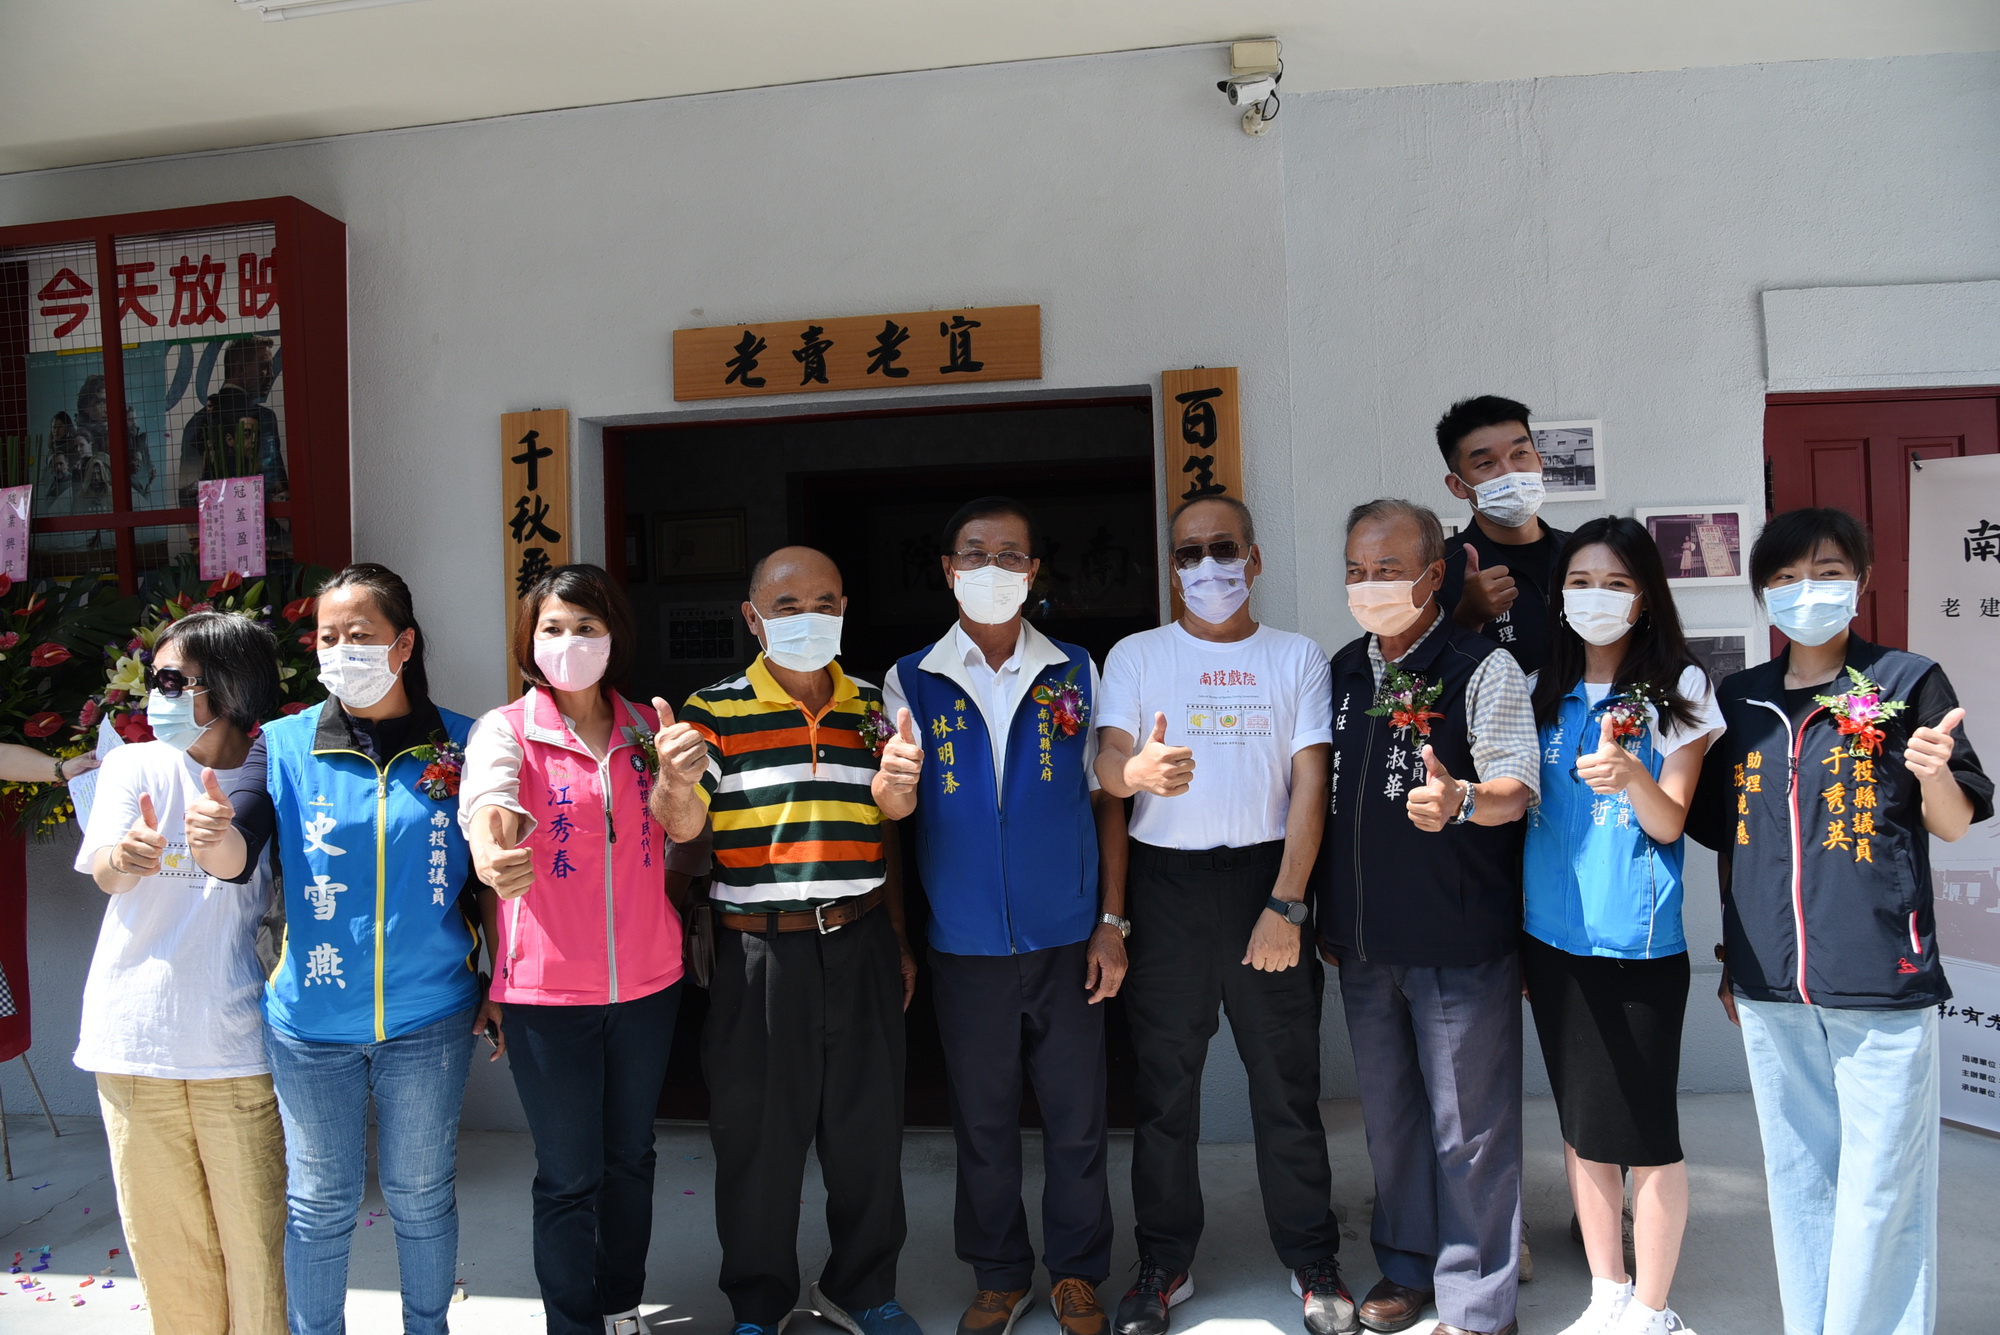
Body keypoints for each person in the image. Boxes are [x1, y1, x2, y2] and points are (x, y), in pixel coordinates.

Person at [1688, 508, 1991, 1335]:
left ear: (1860, 581)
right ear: (1762, 594)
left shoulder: (1904, 680)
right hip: (1769, 983)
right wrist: (1731, 958)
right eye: (1784, 577)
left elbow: (1955, 821)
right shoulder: (1741, 698)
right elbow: (1733, 838)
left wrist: (1933, 772)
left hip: (1881, 972)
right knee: (1799, 1176)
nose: (1804, 590)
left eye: (1824, 571)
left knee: (1884, 1180)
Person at [189, 563, 483, 1335]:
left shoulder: (465, 741)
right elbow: (240, 849)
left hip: (430, 1016)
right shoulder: (280, 746)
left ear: (405, 643)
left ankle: (429, 1326)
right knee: (320, 1202)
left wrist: (504, 986)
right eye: (328, 636)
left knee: (421, 1194)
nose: (341, 648)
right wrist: (215, 839)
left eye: (361, 634)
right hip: (311, 1022)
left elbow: (493, 877)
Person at [1096, 496, 1352, 1335]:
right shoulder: (1136, 654)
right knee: (1165, 1093)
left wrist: (1287, 901)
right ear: (1172, 566)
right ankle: (1163, 1263)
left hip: (1265, 881)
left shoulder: (1297, 657)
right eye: (1189, 553)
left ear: (1256, 556)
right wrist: (1133, 771)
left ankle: (1313, 1257)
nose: (1208, 568)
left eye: (1223, 549)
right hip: (1165, 890)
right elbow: (1106, 761)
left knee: (1287, 1089)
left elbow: (1312, 782)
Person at [875, 497, 1130, 1335]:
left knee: (1075, 1116)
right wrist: (906, 935)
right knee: (981, 1118)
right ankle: (998, 1273)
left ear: (1034, 570)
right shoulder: (910, 678)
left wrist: (1111, 922)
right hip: (966, 943)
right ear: (948, 570)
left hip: (1066, 938)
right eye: (975, 553)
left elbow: (1107, 803)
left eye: (1010, 554)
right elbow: (891, 820)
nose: (993, 568)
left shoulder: (1076, 669)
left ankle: (1078, 1273)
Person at [660, 546, 922, 1335]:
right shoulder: (714, 709)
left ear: (844, 608)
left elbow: (891, 829)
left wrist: (898, 801)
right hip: (758, 951)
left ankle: (864, 1286)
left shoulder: (876, 705)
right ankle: (759, 1299)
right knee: (757, 1137)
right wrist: (672, 787)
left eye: (824, 603)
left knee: (867, 1130)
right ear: (752, 617)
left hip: (861, 940)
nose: (807, 619)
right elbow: (684, 825)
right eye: (786, 606)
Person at [461, 564, 701, 1335]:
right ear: (530, 640)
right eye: (552, 628)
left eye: (586, 626)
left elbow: (686, 828)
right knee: (569, 1174)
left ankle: (621, 1301)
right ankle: (572, 1322)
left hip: (647, 981)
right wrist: (491, 852)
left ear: (614, 635)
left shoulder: (646, 728)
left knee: (630, 1156)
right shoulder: (507, 728)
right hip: (545, 993)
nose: (569, 642)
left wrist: (675, 781)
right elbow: (488, 801)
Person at [1317, 498, 1539, 1335]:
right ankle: (1407, 1267)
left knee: (1470, 1130)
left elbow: (1517, 787)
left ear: (1435, 575)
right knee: (1393, 1122)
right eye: (1356, 570)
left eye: (1388, 569)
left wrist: (1463, 799)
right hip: (1366, 947)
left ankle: (1481, 1304)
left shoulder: (1479, 667)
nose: (1369, 585)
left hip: (1456, 942)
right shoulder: (1340, 670)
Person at [1522, 519, 1725, 1335]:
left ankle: (1653, 1307)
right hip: (1549, 936)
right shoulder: (1545, 686)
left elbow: (1671, 822)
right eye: (1579, 582)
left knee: (1647, 1134)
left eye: (1614, 582)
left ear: (1644, 595)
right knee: (1582, 1127)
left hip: (1635, 943)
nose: (1594, 598)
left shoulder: (1680, 687)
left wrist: (1636, 772)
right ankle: (1607, 1289)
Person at [73, 610, 287, 1335]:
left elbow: (250, 868)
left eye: (171, 680)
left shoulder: (272, 766)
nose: (152, 697)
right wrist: (124, 857)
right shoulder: (131, 765)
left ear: (228, 688)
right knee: (172, 1263)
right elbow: (104, 872)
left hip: (236, 1047)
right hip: (131, 1044)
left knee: (257, 1257)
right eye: (154, 678)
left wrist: (216, 835)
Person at [1435, 396, 1570, 675]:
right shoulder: (1438, 571)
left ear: (1540, 461)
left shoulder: (1582, 553)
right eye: (1486, 463)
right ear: (1458, 486)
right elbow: (1421, 684)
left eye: (1520, 454)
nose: (1509, 472)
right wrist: (1467, 619)